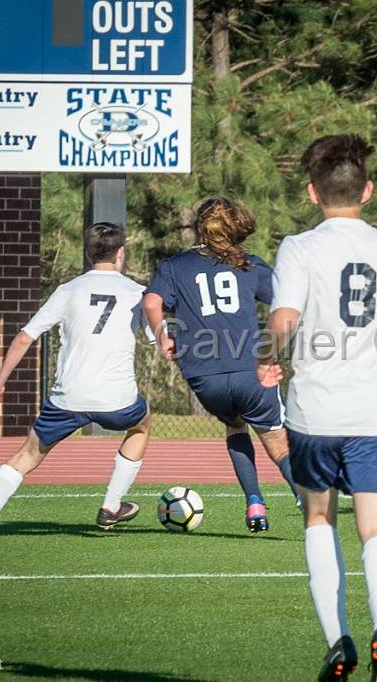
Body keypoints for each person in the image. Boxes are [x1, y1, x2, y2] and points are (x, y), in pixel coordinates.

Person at [259, 134, 377, 682]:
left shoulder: (298, 247)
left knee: (318, 517)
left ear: (312, 192)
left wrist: (268, 359)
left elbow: (284, 318)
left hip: (313, 413)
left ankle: (339, 642)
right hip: (374, 414)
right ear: (369, 190)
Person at [0, 222, 152, 541]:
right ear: (121, 253)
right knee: (143, 424)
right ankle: (111, 505)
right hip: (116, 399)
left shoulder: (68, 290)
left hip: (69, 398)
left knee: (28, 454)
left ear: (88, 253)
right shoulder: (137, 293)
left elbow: (24, 337)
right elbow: (156, 339)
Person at [143, 197, 301, 534]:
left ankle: (255, 502)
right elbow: (288, 301)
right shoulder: (249, 264)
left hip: (203, 375)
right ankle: (302, 495)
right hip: (249, 368)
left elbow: (152, 301)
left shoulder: (174, 265)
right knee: (277, 439)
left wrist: (162, 336)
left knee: (235, 426)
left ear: (201, 226)